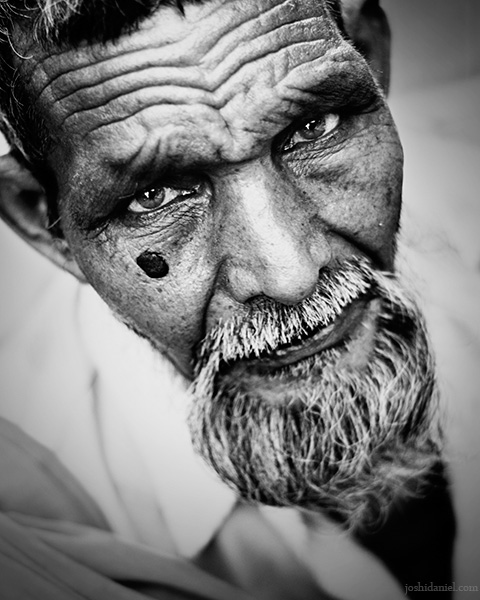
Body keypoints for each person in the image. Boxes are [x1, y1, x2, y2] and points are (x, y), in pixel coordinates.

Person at [0, 0, 460, 598]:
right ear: (44, 221)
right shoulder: (39, 528)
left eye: (310, 128)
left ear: (369, 58)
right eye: (155, 195)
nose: (289, 274)